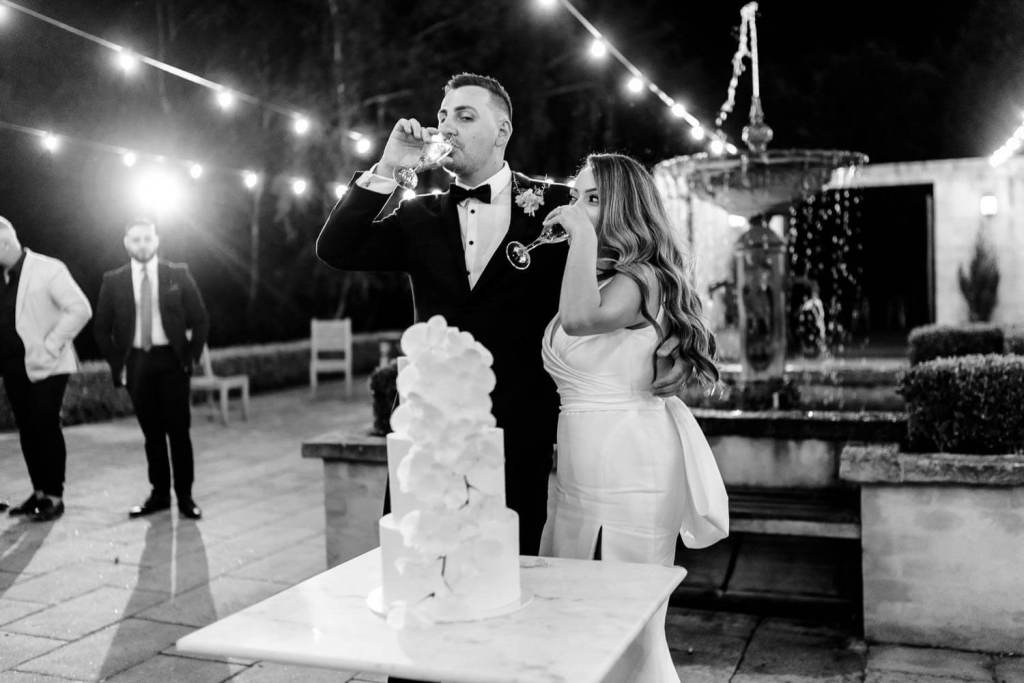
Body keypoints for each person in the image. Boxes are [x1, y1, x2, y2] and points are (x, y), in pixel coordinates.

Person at [317, 73, 688, 556]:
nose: (446, 128)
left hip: (520, 435)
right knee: (419, 568)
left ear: (502, 130)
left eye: (465, 116)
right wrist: (388, 166)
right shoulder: (417, 218)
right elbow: (336, 248)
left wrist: (673, 336)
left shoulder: (562, 207)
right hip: (430, 436)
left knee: (512, 579)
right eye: (443, 117)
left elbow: (643, 258)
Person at [538, 154, 727, 682]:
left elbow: (580, 321)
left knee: (623, 621)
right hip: (581, 467)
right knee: (577, 615)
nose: (578, 207)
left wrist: (579, 234)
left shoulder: (641, 276)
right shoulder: (596, 274)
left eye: (594, 198)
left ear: (625, 206)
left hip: (630, 465)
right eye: (576, 196)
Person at [93, 219, 209, 520]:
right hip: (136, 363)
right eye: (136, 239)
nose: (142, 244)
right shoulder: (113, 280)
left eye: (147, 238)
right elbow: (101, 328)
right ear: (126, 243)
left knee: (179, 432)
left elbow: (200, 319)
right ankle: (159, 495)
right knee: (152, 433)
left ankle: (185, 497)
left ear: (156, 241)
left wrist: (191, 356)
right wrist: (117, 362)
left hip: (172, 362)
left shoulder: (177, 273)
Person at [0, 216, 92, 522]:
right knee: (27, 429)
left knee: (45, 426)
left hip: (49, 365)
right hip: (13, 367)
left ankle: (54, 496)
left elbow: (80, 309)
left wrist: (50, 346)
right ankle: (39, 492)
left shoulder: (48, 268)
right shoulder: (2, 276)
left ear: (4, 242)